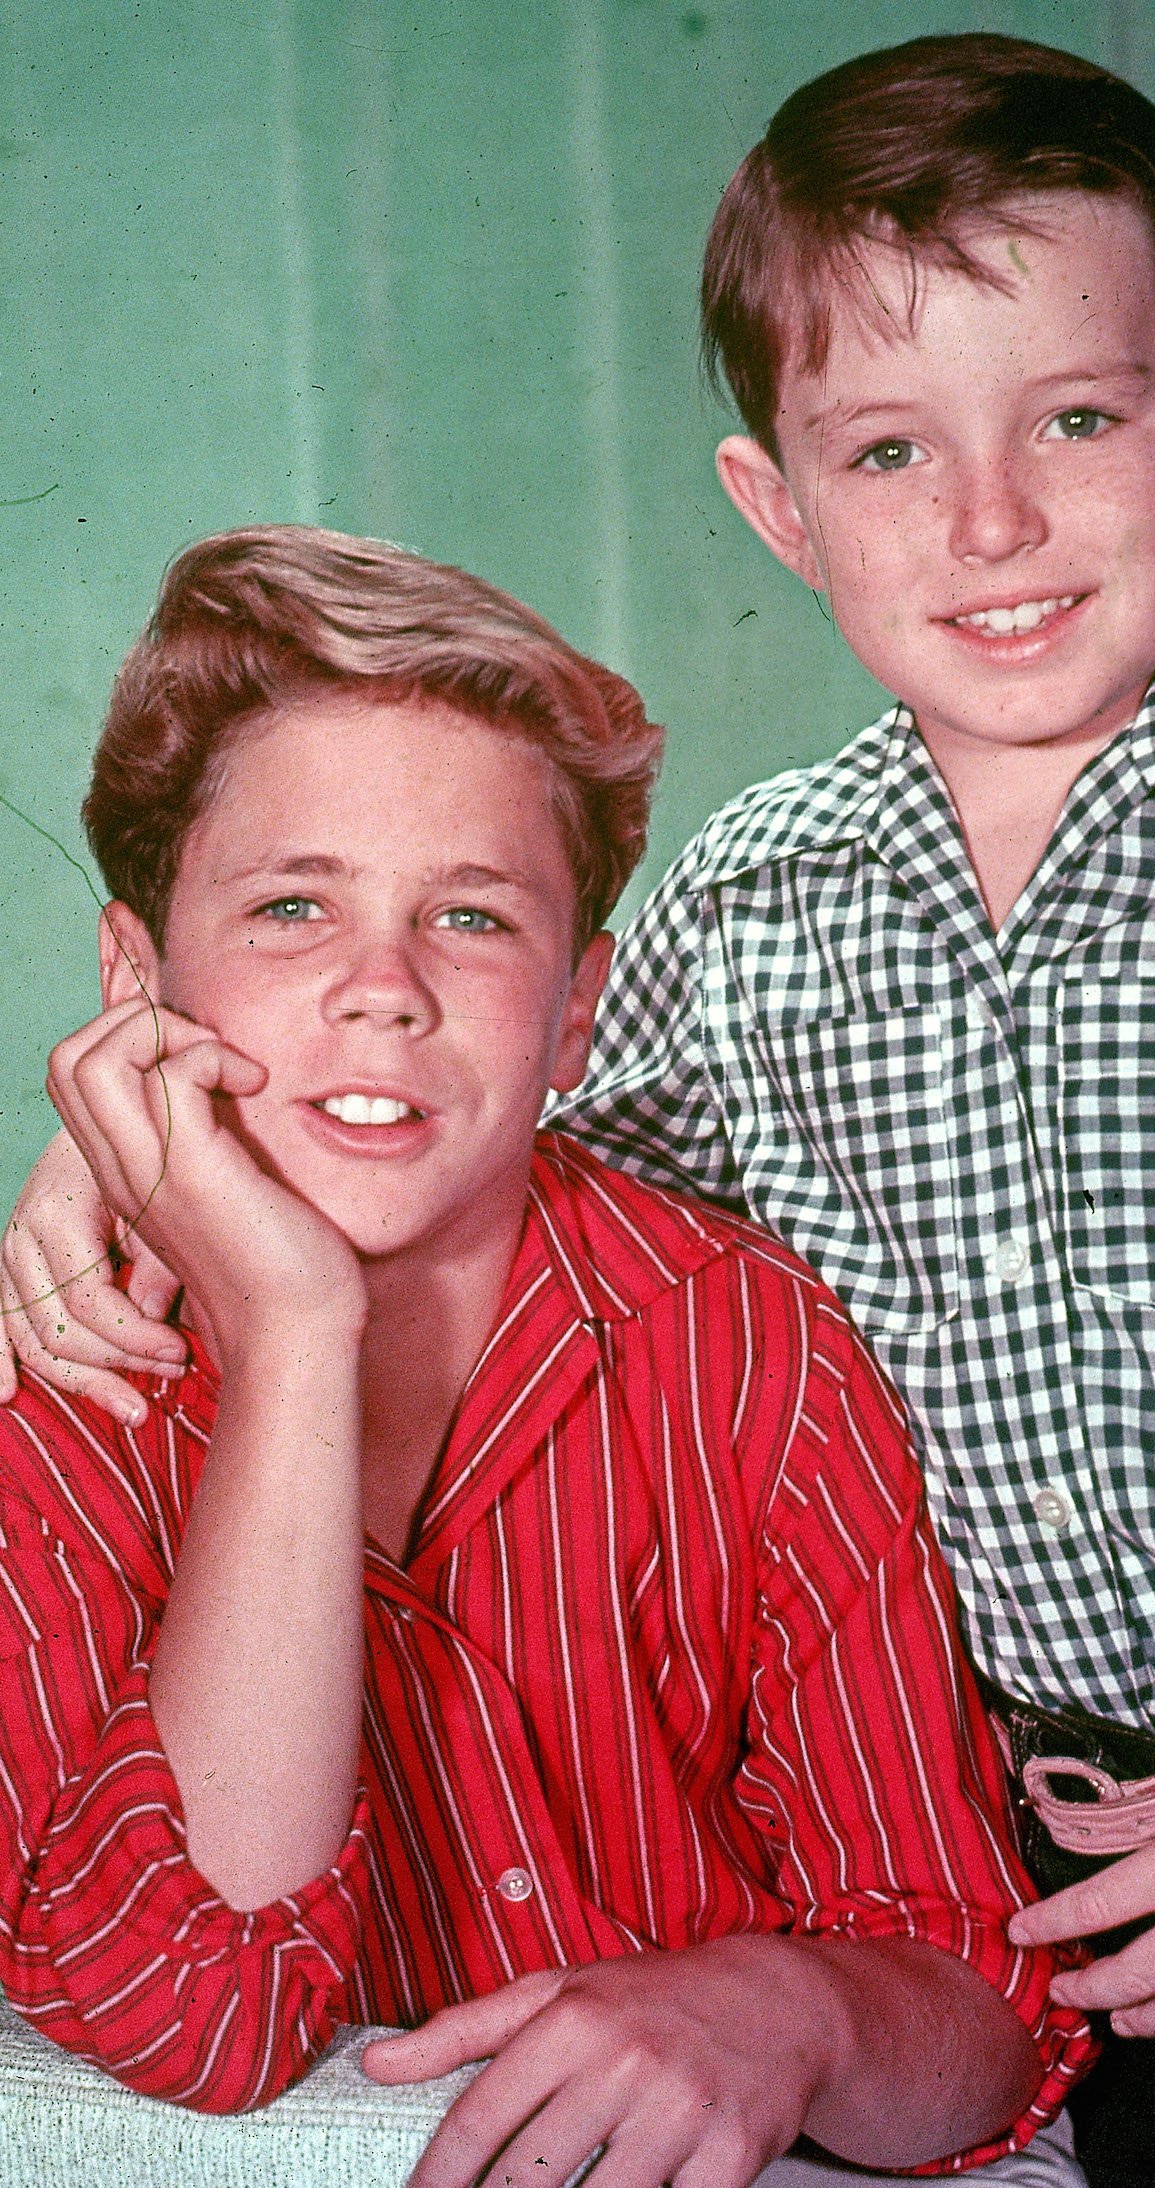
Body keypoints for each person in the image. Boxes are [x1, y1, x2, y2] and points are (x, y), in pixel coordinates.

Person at [7, 35, 1155, 2182]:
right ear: (775, 501)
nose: (989, 520)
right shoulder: (753, 903)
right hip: (1102, 1898)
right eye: (886, 452)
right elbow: (472, 1142)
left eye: (1075, 415)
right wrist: (126, 1166)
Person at [0, 526, 1091, 2188]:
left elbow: (975, 2002)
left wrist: (793, 2006)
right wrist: (296, 1339)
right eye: (294, 908)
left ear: (579, 1011)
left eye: (474, 917)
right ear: (138, 978)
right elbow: (195, 2023)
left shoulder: (748, 1343)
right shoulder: (56, 1388)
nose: (385, 993)